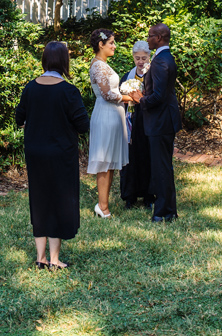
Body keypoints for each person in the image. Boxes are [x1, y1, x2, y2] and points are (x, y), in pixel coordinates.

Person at [15, 41, 90, 269]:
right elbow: (83, 125)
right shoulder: (68, 91)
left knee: (39, 200)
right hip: (61, 154)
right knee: (58, 200)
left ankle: (40, 258)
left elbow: (19, 118)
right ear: (64, 62)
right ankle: (55, 259)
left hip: (35, 152)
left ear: (45, 60)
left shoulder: (30, 87)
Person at [130, 23, 181, 222]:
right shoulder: (167, 58)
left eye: (150, 36)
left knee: (161, 167)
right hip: (165, 120)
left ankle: (163, 213)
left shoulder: (160, 61)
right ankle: (169, 210)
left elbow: (158, 96)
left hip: (160, 121)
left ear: (159, 38)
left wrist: (140, 99)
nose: (148, 38)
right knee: (164, 166)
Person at [88, 28, 135, 218]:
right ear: (101, 45)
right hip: (105, 115)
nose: (114, 46)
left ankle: (104, 204)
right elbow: (107, 94)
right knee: (104, 161)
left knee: (110, 162)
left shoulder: (104, 64)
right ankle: (102, 206)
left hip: (113, 115)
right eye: (111, 43)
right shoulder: (98, 66)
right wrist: (130, 97)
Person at [119, 41, 155, 209]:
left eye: (144, 57)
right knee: (130, 157)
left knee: (147, 156)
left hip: (148, 119)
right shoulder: (128, 76)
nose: (140, 61)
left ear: (150, 57)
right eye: (137, 58)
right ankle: (130, 195)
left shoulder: (154, 75)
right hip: (131, 119)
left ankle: (148, 195)